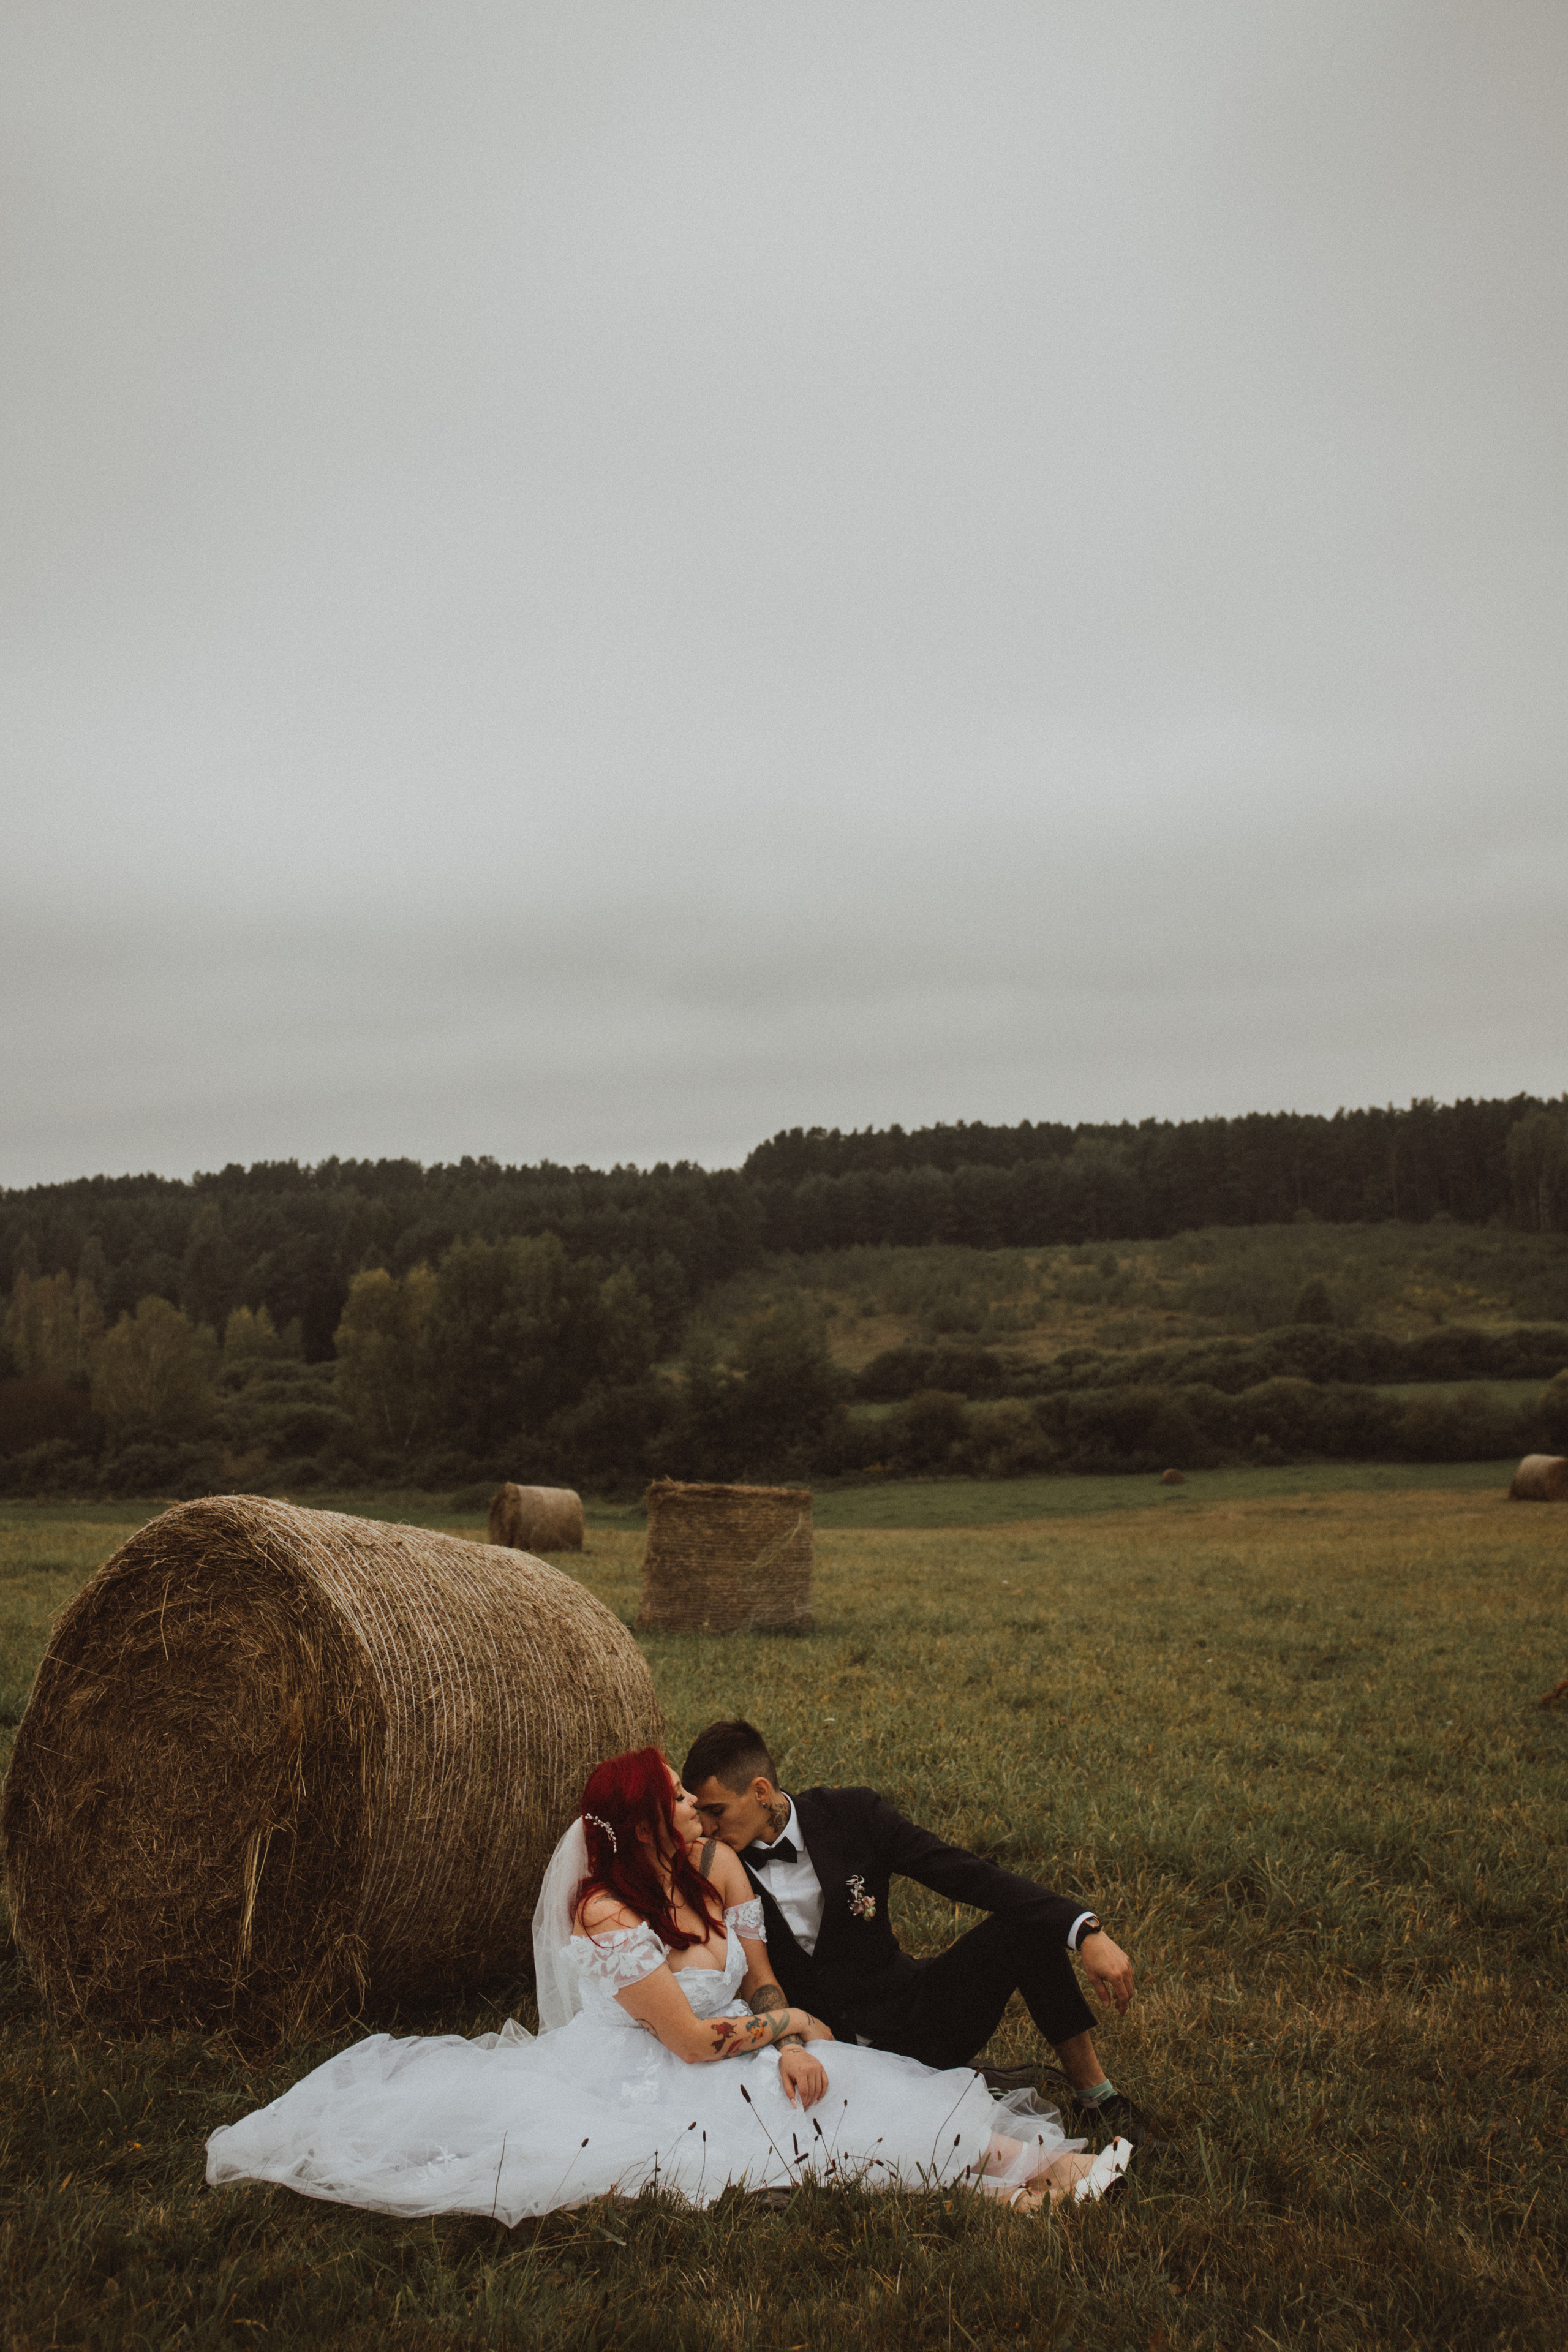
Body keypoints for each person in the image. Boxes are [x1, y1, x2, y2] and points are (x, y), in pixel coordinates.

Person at [206, 1747, 1131, 2222]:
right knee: (806, 2123)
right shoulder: (608, 1916)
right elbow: (689, 2042)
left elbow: (762, 1988)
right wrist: (791, 2036)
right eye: (678, 1798)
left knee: (848, 2084)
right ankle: (1003, 2192)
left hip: (754, 2039)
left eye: (699, 1797)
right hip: (661, 2068)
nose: (695, 1805)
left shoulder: (715, 1876)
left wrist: (797, 2033)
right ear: (646, 1819)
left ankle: (1032, 2166)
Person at [682, 1719, 1153, 2150]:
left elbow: (962, 1872)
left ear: (761, 1790)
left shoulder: (852, 1816)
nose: (706, 1826)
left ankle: (1098, 2096)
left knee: (1025, 1930)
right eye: (699, 1812)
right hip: (829, 2058)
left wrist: (1084, 1929)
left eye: (717, 1810)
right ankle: (957, 2083)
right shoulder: (714, 1867)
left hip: (913, 2015)